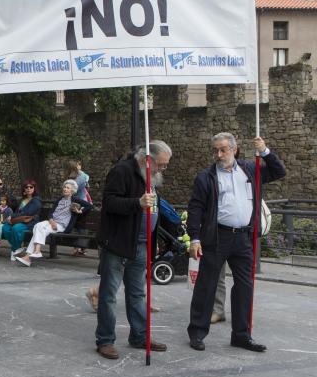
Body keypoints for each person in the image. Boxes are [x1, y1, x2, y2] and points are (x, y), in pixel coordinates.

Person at [187, 134, 285, 353]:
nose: (219, 155)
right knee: (206, 285)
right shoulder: (206, 177)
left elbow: (279, 172)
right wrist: (194, 238)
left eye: (223, 150)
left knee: (245, 286)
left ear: (234, 149)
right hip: (217, 236)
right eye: (215, 151)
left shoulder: (250, 169)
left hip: (243, 237)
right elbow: (195, 209)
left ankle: (241, 335)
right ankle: (197, 332)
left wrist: (265, 151)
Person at [95, 141, 172, 360]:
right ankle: (105, 340)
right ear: (148, 160)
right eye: (161, 165)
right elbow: (109, 203)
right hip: (119, 242)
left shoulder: (150, 176)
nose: (162, 169)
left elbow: (153, 210)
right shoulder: (122, 171)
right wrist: (136, 203)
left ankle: (140, 335)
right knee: (109, 293)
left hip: (141, 243)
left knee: (138, 293)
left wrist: (152, 237)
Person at [14, 180, 92, 267]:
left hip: (61, 226)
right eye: (64, 187)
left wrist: (80, 211)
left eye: (68, 188)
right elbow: (51, 212)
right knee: (37, 226)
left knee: (41, 229)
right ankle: (35, 252)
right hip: (52, 222)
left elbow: (89, 205)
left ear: (72, 190)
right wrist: (51, 220)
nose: (65, 189)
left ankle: (30, 255)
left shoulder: (75, 200)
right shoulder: (60, 199)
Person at [1, 180, 42, 258]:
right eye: (26, 187)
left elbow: (27, 213)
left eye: (31, 187)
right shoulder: (22, 200)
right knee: (5, 227)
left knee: (16, 228)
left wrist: (12, 216)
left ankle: (14, 250)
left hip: (29, 222)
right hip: (18, 221)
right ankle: (18, 249)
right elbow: (16, 210)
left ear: (34, 189)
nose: (28, 188)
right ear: (24, 189)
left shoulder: (36, 200)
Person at [64, 159, 91, 256]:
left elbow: (73, 189)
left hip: (82, 204)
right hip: (74, 203)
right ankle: (77, 247)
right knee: (75, 225)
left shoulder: (82, 176)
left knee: (81, 225)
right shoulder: (72, 176)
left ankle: (82, 248)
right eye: (78, 164)